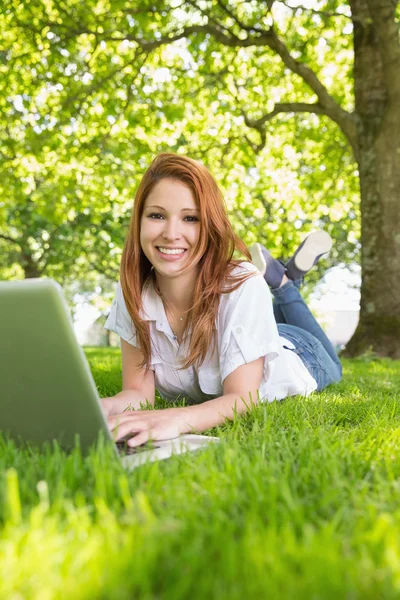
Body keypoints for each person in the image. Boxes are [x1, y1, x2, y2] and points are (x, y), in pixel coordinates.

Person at [102, 154, 342, 447]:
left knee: (336, 365)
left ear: (210, 226)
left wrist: (175, 420)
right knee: (265, 313)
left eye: (190, 218)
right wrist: (104, 407)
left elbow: (242, 398)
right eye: (157, 215)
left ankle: (284, 286)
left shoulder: (242, 282)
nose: (171, 233)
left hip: (302, 353)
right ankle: (287, 278)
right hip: (250, 334)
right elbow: (138, 395)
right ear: (138, 220)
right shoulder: (133, 291)